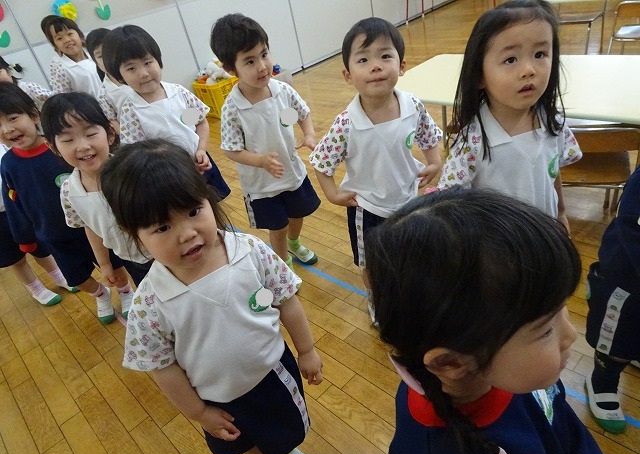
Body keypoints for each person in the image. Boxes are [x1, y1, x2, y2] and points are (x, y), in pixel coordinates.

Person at [100, 138, 327, 454]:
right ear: (134, 235)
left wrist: (306, 350)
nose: (187, 233)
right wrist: (199, 412)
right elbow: (163, 368)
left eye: (194, 211)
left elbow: (286, 299)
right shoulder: (150, 302)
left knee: (284, 428)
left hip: (273, 372)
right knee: (239, 439)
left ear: (208, 197)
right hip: (215, 398)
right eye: (162, 227)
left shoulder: (249, 250)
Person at [364, 188, 609, 454]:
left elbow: (563, 432)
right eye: (545, 330)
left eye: (562, 308)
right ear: (451, 362)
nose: (570, 335)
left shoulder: (515, 372)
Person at [435, 0, 581, 233]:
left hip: (546, 235)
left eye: (540, 54)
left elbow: (551, 173)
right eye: (511, 59)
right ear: (479, 75)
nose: (529, 70)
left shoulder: (553, 123)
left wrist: (561, 211)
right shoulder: (471, 141)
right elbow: (450, 203)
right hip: (501, 247)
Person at [310, 17, 442, 269]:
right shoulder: (346, 123)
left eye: (385, 56)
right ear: (348, 75)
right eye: (363, 60)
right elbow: (321, 161)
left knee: (407, 254)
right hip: (367, 209)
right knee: (370, 264)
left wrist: (434, 162)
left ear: (401, 66)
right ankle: (375, 291)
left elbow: (428, 133)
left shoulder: (412, 105)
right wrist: (333, 195)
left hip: (408, 200)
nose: (375, 66)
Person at [210, 14, 321, 270]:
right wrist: (260, 161)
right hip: (262, 185)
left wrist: (309, 135)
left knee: (297, 215)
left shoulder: (283, 90)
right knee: (277, 227)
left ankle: (294, 243)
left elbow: (302, 113)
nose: (262, 66)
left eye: (264, 54)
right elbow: (231, 150)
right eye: (250, 61)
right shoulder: (233, 108)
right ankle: (284, 265)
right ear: (230, 69)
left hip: (291, 172)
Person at [0, 82, 117, 324]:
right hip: (55, 236)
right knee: (78, 279)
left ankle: (125, 292)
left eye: (12, 118)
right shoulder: (9, 164)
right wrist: (24, 237)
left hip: (93, 226)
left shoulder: (63, 148)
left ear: (34, 115)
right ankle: (100, 294)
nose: (7, 129)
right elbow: (13, 202)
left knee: (115, 267)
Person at [41, 92, 152, 305]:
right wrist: (106, 264)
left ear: (109, 134)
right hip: (132, 259)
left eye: (90, 134)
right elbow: (90, 227)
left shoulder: (131, 170)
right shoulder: (70, 191)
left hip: (164, 247)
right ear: (53, 147)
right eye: (68, 139)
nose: (83, 146)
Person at [101, 25, 230, 200]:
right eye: (131, 68)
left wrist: (201, 149)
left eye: (147, 62)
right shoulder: (131, 113)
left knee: (215, 206)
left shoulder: (179, 94)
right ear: (120, 76)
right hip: (171, 179)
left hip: (202, 162)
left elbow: (199, 122)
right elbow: (138, 155)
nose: (143, 73)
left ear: (158, 60)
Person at [584, 166, 640, 434]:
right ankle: (602, 382)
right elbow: (631, 227)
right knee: (616, 335)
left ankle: (633, 353)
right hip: (628, 275)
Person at [0, 142, 72, 306]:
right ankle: (35, 288)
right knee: (15, 257)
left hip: (17, 205)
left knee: (40, 247)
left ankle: (59, 275)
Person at [40, 15, 101, 96]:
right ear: (55, 45)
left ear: (79, 35)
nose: (67, 40)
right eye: (59, 38)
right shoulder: (61, 69)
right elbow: (63, 97)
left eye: (69, 34)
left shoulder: (94, 52)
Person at [85, 28, 131, 132]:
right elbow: (113, 123)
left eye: (110, 52)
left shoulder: (137, 74)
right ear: (95, 61)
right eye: (100, 56)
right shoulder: (103, 94)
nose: (107, 59)